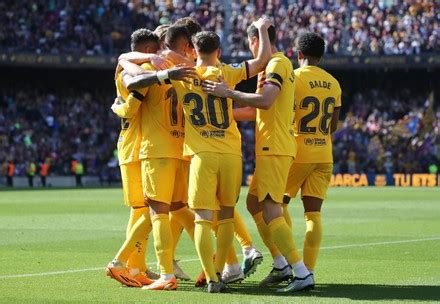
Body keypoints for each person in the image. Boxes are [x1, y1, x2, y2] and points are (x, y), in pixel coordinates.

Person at [202, 21, 313, 293]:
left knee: (271, 208)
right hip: (270, 146)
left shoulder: (276, 64)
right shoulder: (274, 65)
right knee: (254, 204)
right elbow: (257, 110)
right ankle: (280, 263)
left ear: (255, 41)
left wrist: (229, 93)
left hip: (275, 147)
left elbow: (264, 101)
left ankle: (300, 272)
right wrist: (224, 113)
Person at [166, 18, 271, 293]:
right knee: (226, 214)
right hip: (230, 155)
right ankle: (224, 271)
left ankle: (213, 278)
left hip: (202, 155)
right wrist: (261, 29)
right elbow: (261, 61)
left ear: (193, 50)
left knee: (202, 217)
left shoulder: (183, 74)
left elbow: (160, 56)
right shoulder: (228, 72)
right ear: (219, 51)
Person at [282, 32, 341, 290]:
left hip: (297, 152)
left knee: (275, 205)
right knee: (313, 214)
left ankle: (289, 263)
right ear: (321, 55)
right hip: (323, 153)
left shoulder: (293, 78)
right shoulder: (334, 83)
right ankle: (309, 271)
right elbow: (333, 126)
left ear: (298, 54)